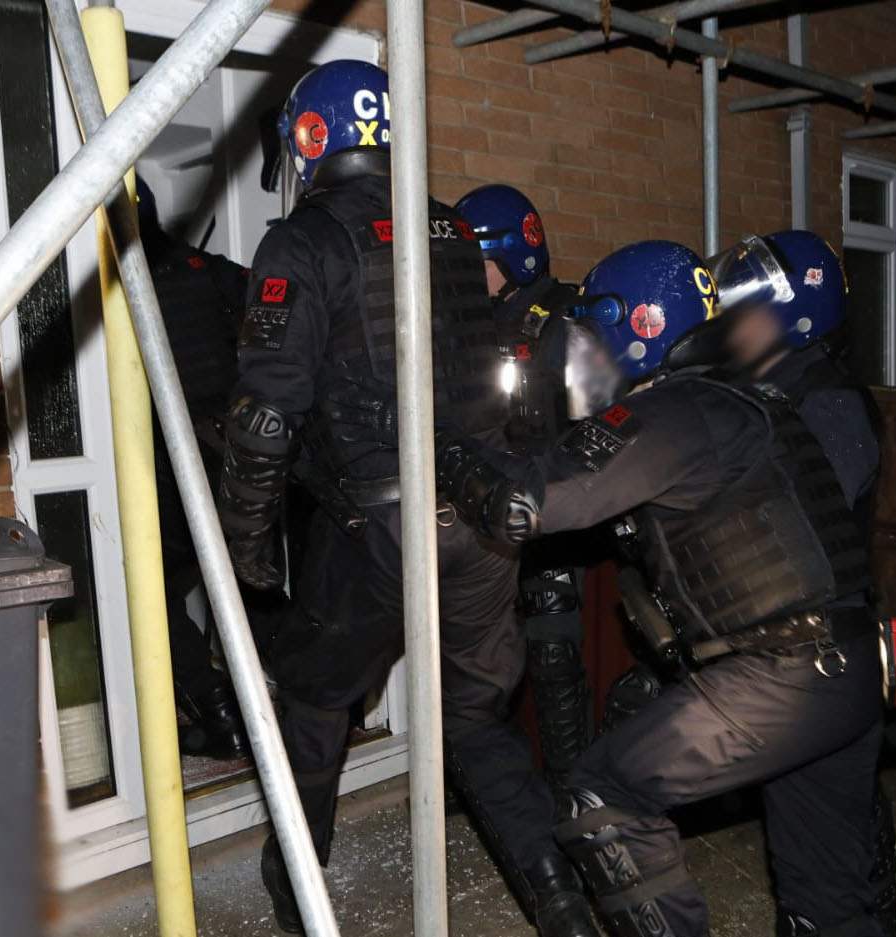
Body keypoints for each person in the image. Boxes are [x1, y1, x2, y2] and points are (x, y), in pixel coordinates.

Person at [216, 60, 594, 937]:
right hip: (478, 523)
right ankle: (567, 904)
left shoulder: (303, 241)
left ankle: (300, 902)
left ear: (310, 139)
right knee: (476, 721)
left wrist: (243, 542)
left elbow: (267, 413)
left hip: (380, 524)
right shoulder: (454, 228)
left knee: (311, 707)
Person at [436, 240, 890, 937]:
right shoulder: (739, 399)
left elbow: (523, 506)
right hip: (847, 668)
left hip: (783, 674)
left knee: (601, 796)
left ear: (641, 324)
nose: (580, 356)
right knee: (824, 904)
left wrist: (438, 439)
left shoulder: (673, 408)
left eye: (591, 335)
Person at [710, 230, 896, 937]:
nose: (730, 329)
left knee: (826, 876)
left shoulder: (825, 404)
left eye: (744, 313)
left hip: (825, 650)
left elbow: (796, 520)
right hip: (791, 651)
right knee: (814, 853)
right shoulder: (772, 395)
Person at [454, 184, 596, 791]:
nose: (466, 275)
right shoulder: (465, 325)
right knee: (474, 659)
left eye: (478, 261)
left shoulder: (566, 319)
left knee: (554, 653)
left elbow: (599, 423)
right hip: (479, 514)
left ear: (518, 256)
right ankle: (482, 781)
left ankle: (574, 795)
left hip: (552, 514)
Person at [137, 176, 252, 760]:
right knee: (242, 581)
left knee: (147, 593)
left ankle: (221, 713)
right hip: (239, 460)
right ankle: (266, 712)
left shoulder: (118, 286)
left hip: (176, 464)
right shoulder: (208, 268)